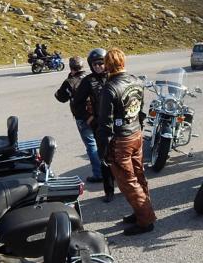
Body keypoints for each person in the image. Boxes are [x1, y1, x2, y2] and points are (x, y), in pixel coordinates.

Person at [96, 48, 156, 235]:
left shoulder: (110, 88)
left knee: (128, 182)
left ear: (107, 65)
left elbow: (105, 123)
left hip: (121, 139)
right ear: (123, 62)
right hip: (136, 134)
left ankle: (146, 220)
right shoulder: (137, 81)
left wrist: (103, 150)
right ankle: (140, 212)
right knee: (138, 176)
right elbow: (140, 110)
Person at [72, 48, 115, 195]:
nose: (98, 66)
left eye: (100, 63)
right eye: (94, 64)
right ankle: (109, 191)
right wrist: (89, 118)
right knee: (104, 157)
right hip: (100, 124)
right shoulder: (88, 81)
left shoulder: (114, 76)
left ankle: (123, 182)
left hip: (117, 122)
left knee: (120, 154)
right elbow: (77, 104)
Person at [54, 56, 101, 185]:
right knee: (102, 142)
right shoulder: (91, 77)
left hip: (83, 117)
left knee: (91, 145)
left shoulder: (70, 81)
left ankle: (99, 173)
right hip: (97, 115)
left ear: (71, 68)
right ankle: (109, 170)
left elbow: (60, 97)